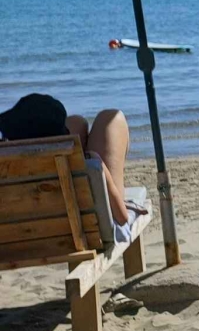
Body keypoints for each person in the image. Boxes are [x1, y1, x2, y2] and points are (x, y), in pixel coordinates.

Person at [0, 93, 134, 230]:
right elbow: (122, 218)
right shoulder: (91, 162)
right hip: (88, 231)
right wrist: (96, 161)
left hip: (22, 234)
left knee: (76, 121)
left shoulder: (6, 169)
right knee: (111, 118)